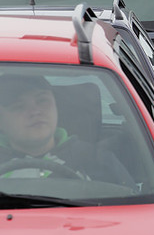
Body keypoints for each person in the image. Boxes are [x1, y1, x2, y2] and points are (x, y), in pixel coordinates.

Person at [0, 75, 132, 185]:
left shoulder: (98, 161)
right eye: (18, 107)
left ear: (56, 106)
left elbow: (132, 210)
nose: (35, 112)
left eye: (42, 101)